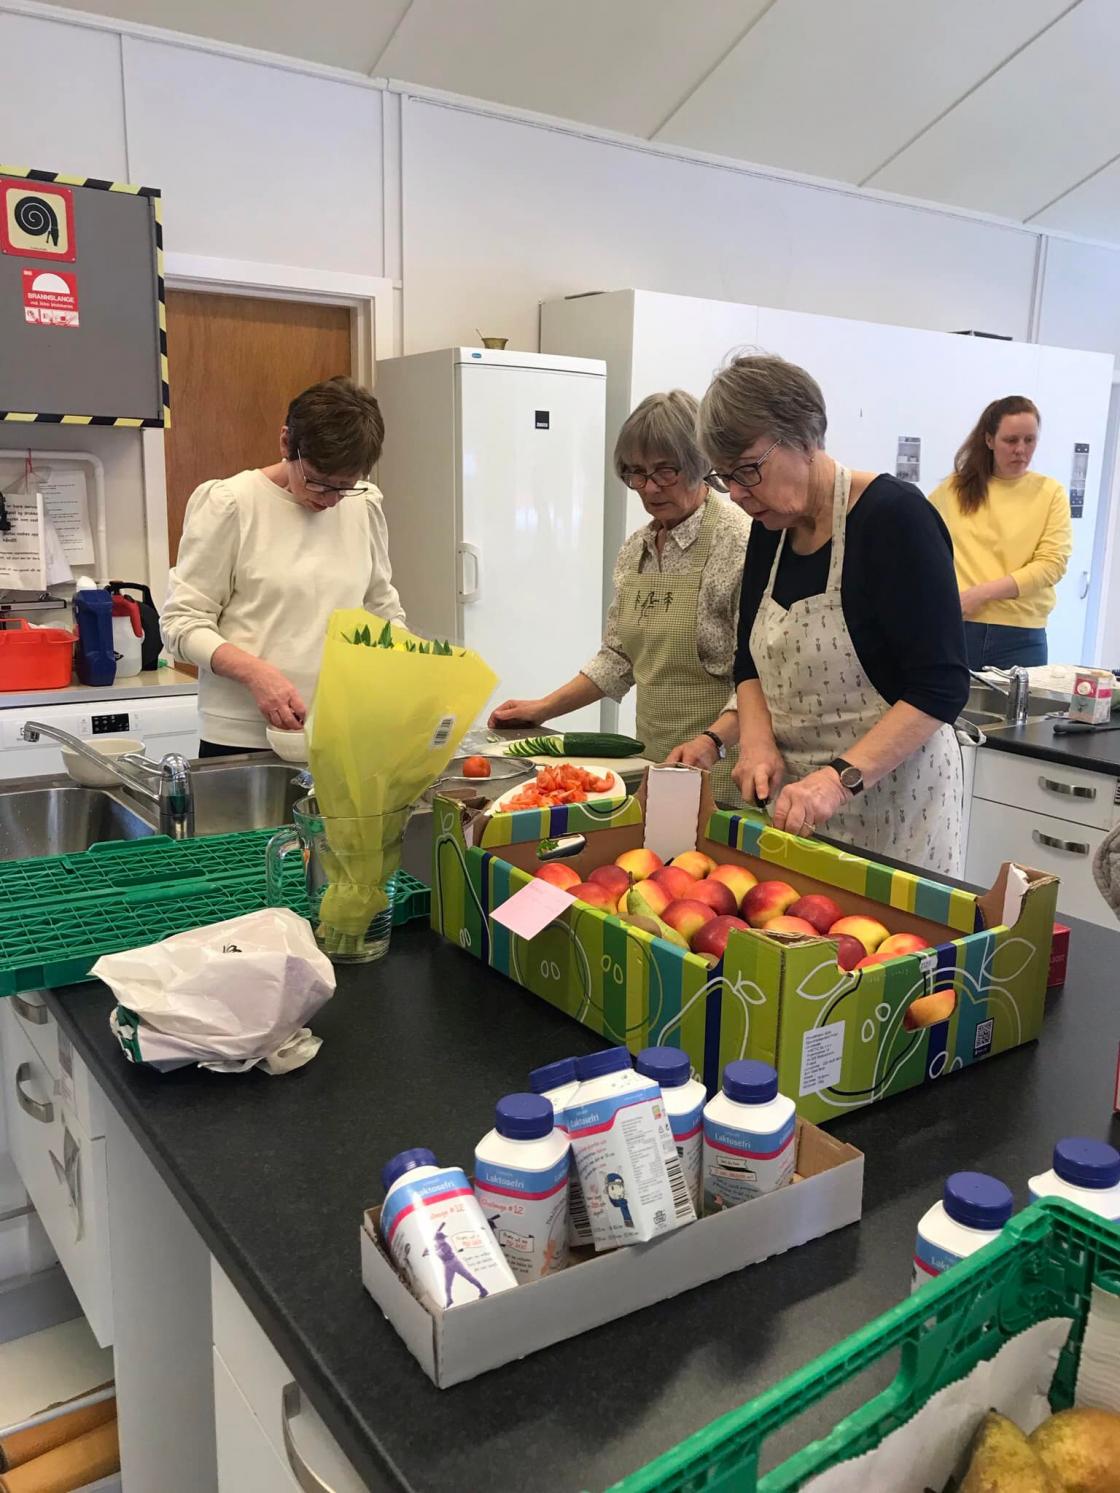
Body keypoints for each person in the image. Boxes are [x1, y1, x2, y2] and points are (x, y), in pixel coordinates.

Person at [670, 354, 969, 876]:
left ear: (805, 438)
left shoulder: (894, 519)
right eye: (724, 477)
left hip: (892, 810)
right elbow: (749, 663)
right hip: (796, 811)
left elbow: (939, 687)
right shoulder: (770, 530)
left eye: (748, 470)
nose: (738, 494)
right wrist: (757, 743)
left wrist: (838, 779)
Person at [488, 390, 751, 800]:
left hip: (724, 768)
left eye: (666, 471)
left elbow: (757, 679)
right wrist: (542, 708)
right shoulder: (637, 550)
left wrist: (711, 743)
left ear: (700, 462)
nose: (649, 487)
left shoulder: (737, 542)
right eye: (635, 473)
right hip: (654, 761)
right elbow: (617, 658)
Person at [162, 376, 404, 756]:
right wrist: (256, 673)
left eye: (345, 485)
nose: (331, 500)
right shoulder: (232, 504)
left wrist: (413, 671)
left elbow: (381, 609)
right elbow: (181, 625)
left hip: (340, 732)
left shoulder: (364, 505)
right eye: (319, 482)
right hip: (242, 742)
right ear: (285, 442)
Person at [929, 396, 1072, 670]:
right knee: (951, 713)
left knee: (1021, 714)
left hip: (1021, 635)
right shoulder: (954, 490)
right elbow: (917, 543)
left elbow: (1052, 565)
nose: (1021, 450)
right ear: (989, 440)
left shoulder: (1050, 493)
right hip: (960, 628)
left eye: (1029, 440)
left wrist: (982, 594)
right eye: (1011, 440)